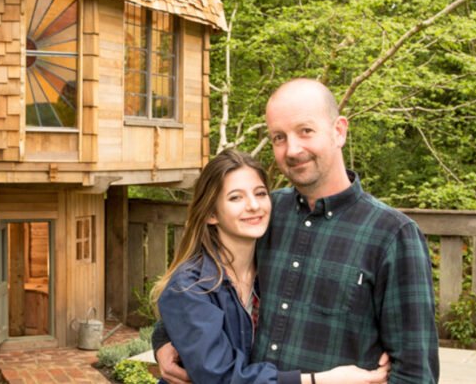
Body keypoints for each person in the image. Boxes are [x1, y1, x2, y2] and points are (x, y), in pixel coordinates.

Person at [153, 79, 439, 384]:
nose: (292, 149)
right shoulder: (265, 215)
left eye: (306, 131)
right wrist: (163, 342)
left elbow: (414, 373)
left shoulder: (392, 235)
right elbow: (201, 293)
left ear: (338, 131)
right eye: (279, 137)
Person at [153, 149, 389, 384]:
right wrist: (323, 380)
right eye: (236, 197)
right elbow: (222, 377)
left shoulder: (271, 268)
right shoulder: (191, 285)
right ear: (211, 214)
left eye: (260, 193)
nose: (254, 205)